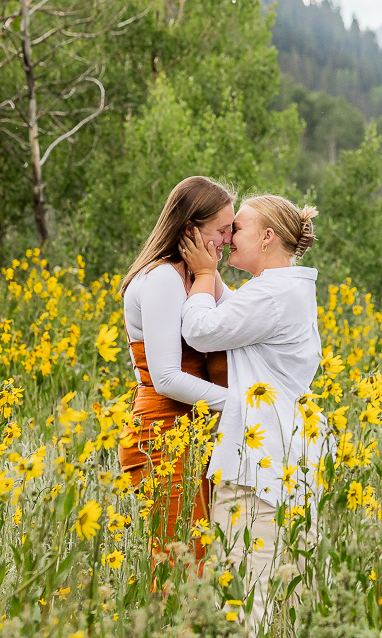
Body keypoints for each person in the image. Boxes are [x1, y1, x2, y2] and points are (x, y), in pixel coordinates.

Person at [179, 194, 322, 626]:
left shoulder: (273, 295)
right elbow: (233, 310)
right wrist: (213, 277)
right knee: (287, 599)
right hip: (282, 459)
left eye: (235, 229)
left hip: (257, 470)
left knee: (244, 598)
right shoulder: (278, 289)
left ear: (266, 237)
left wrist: (204, 273)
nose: (226, 238)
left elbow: (201, 330)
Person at [119, 176, 235, 562]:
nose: (228, 239)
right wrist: (238, 403)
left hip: (192, 430)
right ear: (190, 229)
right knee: (180, 563)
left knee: (201, 556)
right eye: (221, 230)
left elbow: (238, 321)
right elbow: (167, 377)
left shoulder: (198, 275)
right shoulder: (163, 277)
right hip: (161, 433)